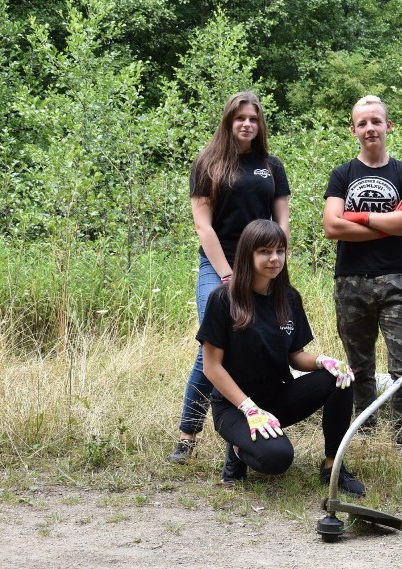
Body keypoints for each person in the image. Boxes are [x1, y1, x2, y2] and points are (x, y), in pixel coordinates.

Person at [198, 219, 365, 496]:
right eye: (264, 251)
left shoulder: (287, 297)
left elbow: (295, 356)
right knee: (277, 458)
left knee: (340, 379)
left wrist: (324, 362)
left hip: (278, 398)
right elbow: (211, 367)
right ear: (247, 254)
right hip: (235, 407)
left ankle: (332, 467)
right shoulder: (223, 299)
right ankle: (238, 451)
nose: (274, 259)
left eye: (280, 251)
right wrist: (250, 410)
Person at [168, 92, 291, 464]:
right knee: (213, 344)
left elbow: (282, 220)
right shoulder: (209, 163)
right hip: (218, 264)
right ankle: (188, 434)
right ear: (228, 121)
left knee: (251, 347)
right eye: (240, 118)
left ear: (260, 124)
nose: (246, 124)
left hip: (261, 262)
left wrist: (276, 258)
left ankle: (239, 440)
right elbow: (203, 226)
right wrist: (225, 274)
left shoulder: (271, 166)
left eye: (253, 118)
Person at [322, 95, 402, 453]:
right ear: (354, 130)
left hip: (397, 279)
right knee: (359, 366)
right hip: (350, 281)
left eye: (376, 121)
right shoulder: (342, 174)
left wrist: (359, 218)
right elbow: (332, 226)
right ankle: (364, 433)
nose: (370, 128)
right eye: (362, 123)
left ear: (387, 126)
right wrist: (388, 224)